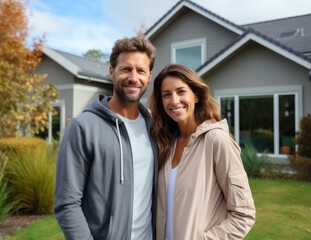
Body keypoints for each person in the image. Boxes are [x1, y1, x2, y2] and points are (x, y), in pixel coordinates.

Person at [54, 35, 159, 240]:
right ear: (112, 72)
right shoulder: (83, 127)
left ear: (149, 77)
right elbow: (67, 203)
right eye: (126, 69)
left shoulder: (154, 127)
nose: (134, 77)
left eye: (141, 71)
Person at [149, 64, 256, 240]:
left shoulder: (216, 140)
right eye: (166, 95)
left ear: (196, 96)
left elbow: (243, 214)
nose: (174, 101)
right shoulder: (165, 143)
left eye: (181, 91)